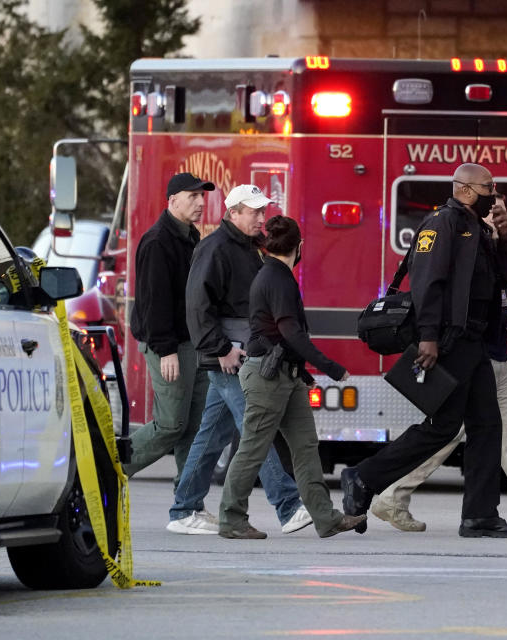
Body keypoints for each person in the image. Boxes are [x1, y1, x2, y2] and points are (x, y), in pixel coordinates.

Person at [341, 163, 507, 538]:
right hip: (449, 340)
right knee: (443, 427)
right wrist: (427, 336)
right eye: (490, 188)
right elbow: (427, 282)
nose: (496, 194)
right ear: (468, 190)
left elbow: (501, 279)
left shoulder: (477, 227)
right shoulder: (441, 224)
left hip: (475, 342)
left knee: (487, 426)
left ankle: (480, 515)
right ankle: (362, 477)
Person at [167, 184, 311, 535]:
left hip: (240, 352)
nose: (261, 217)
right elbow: (197, 306)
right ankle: (288, 506)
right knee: (255, 428)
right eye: (254, 211)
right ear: (233, 213)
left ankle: (184, 509)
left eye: (263, 211)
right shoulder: (214, 248)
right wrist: (221, 350)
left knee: (213, 434)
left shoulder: (251, 248)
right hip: (228, 356)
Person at [370, 298, 507, 534]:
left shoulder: (494, 262)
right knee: (445, 435)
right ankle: (390, 496)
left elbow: (490, 306)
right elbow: (470, 302)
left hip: (498, 360)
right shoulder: (474, 259)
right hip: (473, 361)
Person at [218, 216, 366, 539]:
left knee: (305, 446)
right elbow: (292, 334)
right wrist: (331, 368)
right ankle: (231, 518)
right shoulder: (277, 279)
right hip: (267, 378)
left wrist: (303, 373)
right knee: (253, 448)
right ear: (300, 247)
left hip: (285, 375)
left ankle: (326, 518)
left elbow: (286, 338)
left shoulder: (275, 275)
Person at [122, 173, 211, 494]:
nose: (201, 203)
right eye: (193, 197)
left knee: (195, 425)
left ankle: (188, 503)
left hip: (194, 344)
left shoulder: (189, 236)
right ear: (172, 201)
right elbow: (153, 300)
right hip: (169, 345)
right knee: (172, 423)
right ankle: (111, 467)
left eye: (202, 197)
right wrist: (166, 349)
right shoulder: (158, 241)